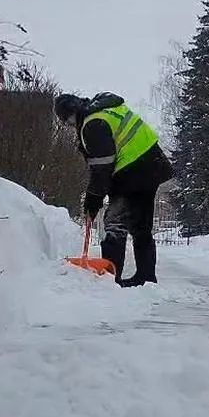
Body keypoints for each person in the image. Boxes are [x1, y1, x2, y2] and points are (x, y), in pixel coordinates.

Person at [53, 91, 173, 287]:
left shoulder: (93, 124)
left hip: (133, 171)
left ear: (70, 115)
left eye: (67, 121)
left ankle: (110, 279)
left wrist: (93, 199)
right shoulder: (107, 108)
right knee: (140, 225)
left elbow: (102, 169)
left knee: (114, 223)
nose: (70, 126)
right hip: (153, 166)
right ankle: (146, 277)